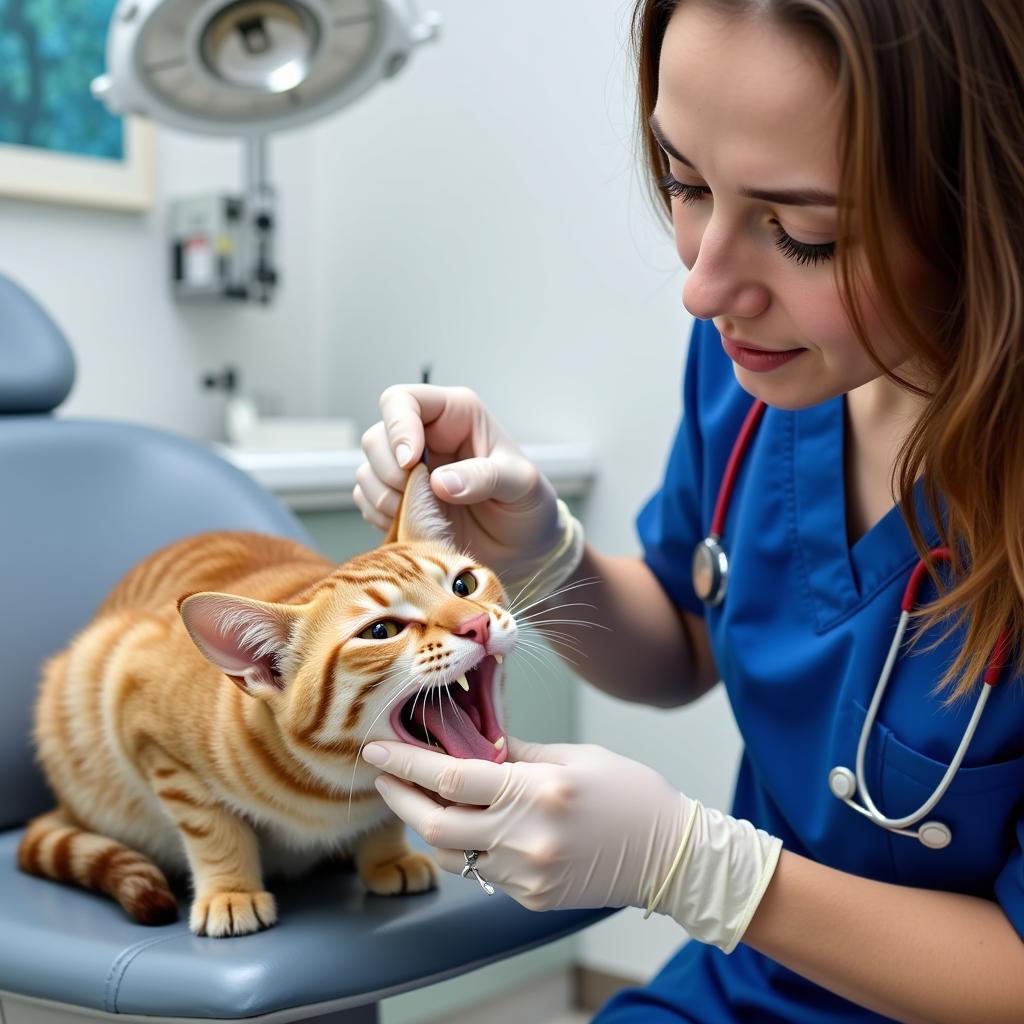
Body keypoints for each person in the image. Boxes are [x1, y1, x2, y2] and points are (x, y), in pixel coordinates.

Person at [353, 1, 1024, 1020]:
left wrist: (696, 868)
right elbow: (679, 641)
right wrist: (538, 553)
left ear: (978, 205)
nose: (703, 288)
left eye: (802, 233)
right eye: (684, 181)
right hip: (745, 989)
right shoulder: (758, 372)